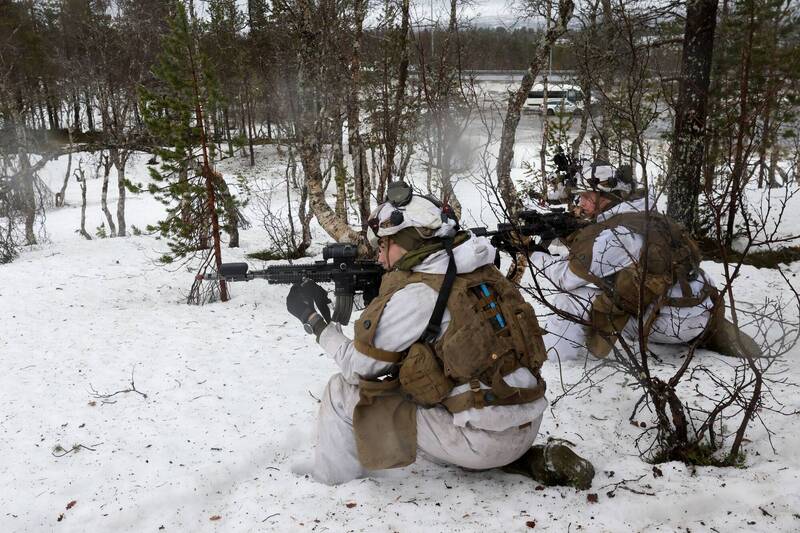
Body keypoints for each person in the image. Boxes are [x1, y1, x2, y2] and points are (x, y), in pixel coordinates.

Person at [285, 183, 551, 485]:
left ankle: (332, 485)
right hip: (526, 423)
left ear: (410, 240)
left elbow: (360, 367)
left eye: (386, 244)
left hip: (483, 442)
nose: (380, 257)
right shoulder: (479, 266)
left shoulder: (421, 292)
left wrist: (315, 322)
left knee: (341, 392)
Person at [531, 160, 761, 361]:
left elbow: (566, 278)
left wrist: (532, 254)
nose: (580, 202)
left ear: (607, 197)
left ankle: (557, 360)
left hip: (672, 323)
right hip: (700, 311)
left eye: (587, 196)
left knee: (569, 297)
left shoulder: (618, 234)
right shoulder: (646, 215)